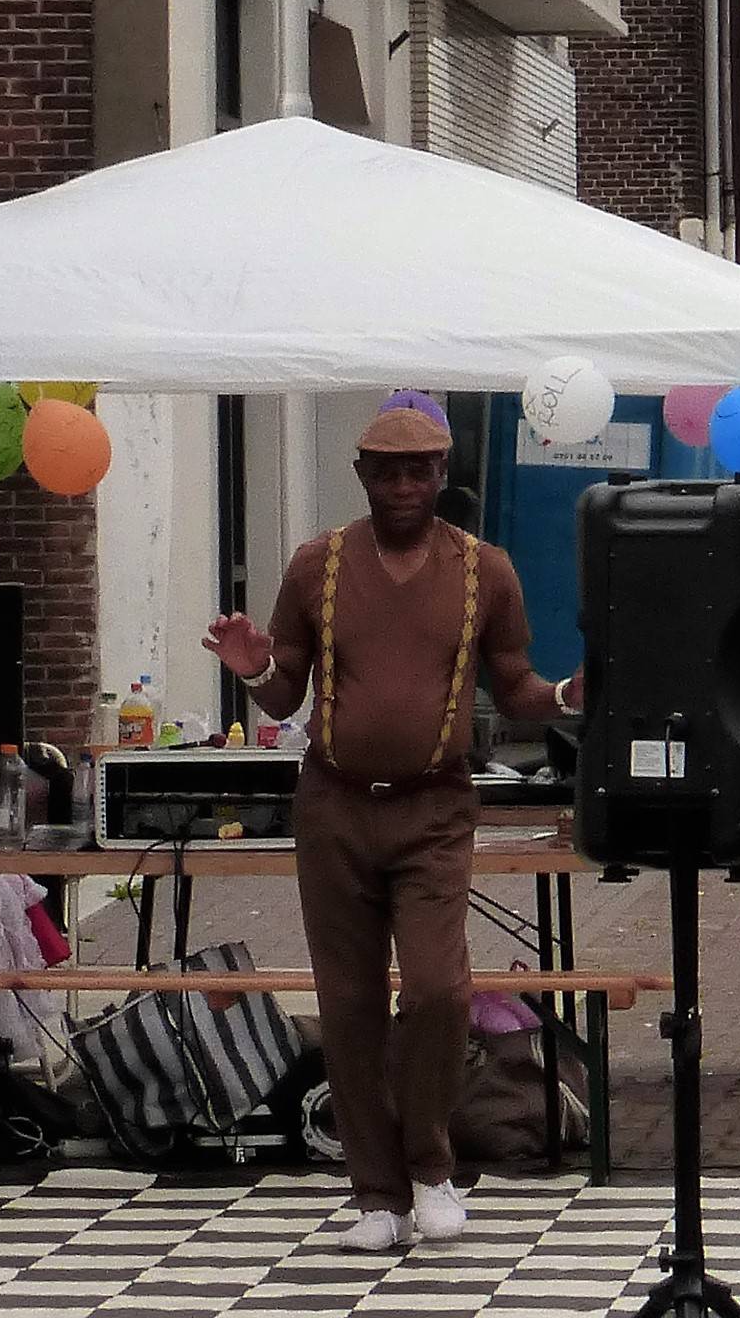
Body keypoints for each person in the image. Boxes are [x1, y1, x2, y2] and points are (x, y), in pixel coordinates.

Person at [200, 399, 577, 1254]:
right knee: (352, 1004)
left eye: (421, 470)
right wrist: (253, 666)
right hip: (332, 805)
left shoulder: (486, 569)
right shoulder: (315, 567)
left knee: (441, 990)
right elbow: (284, 691)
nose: (405, 485)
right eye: (388, 470)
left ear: (444, 475)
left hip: (434, 808)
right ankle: (377, 1196)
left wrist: (562, 699)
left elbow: (514, 684)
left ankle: (432, 1167)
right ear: (363, 473)